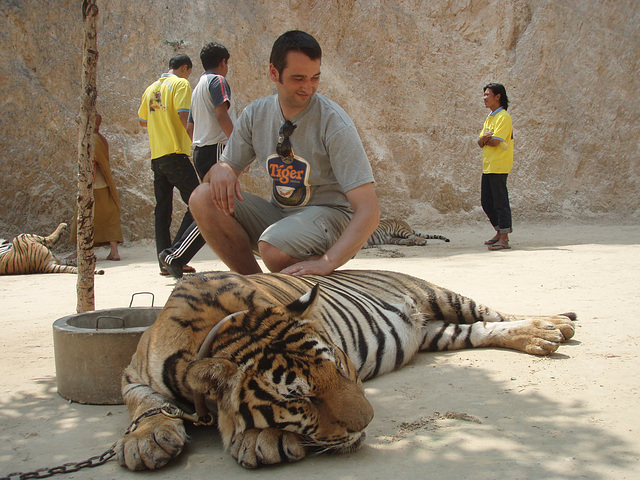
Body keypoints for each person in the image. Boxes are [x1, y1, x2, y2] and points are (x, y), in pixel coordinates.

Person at [189, 30, 379, 276]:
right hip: (281, 217)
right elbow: (220, 175)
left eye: (315, 78)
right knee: (202, 198)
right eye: (298, 78)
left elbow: (369, 211)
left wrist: (327, 262)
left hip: (331, 218)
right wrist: (221, 169)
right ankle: (258, 286)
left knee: (274, 247)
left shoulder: (334, 123)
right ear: (273, 72)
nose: (308, 88)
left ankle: (310, 274)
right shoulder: (256, 115)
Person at [158, 42, 236, 279]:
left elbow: (190, 127)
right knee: (217, 208)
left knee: (213, 207)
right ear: (223, 62)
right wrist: (237, 146)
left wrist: (200, 144)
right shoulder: (218, 82)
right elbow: (221, 114)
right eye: (227, 64)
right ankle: (175, 256)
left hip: (200, 149)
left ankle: (176, 255)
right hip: (216, 149)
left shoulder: (197, 87)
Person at [138, 54, 200, 275]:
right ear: (185, 68)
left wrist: (160, 124)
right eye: (189, 72)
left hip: (157, 156)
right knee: (198, 203)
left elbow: (143, 120)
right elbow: (185, 116)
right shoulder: (180, 84)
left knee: (162, 211)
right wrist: (196, 140)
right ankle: (175, 255)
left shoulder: (152, 89)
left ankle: (164, 261)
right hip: (175, 153)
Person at [69, 113, 123, 260]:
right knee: (109, 218)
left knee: (82, 217)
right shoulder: (102, 139)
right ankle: (114, 251)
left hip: (94, 186)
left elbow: (93, 163)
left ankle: (80, 252)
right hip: (105, 185)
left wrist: (87, 186)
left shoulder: (91, 139)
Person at [477, 83, 514, 251]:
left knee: (500, 202)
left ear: (498, 96)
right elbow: (480, 142)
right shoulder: (490, 117)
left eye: (487, 94)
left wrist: (486, 139)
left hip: (499, 164)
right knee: (486, 201)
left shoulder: (503, 117)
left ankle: (505, 238)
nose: (484, 98)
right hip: (489, 165)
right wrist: (485, 138)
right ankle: (499, 231)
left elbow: (494, 141)